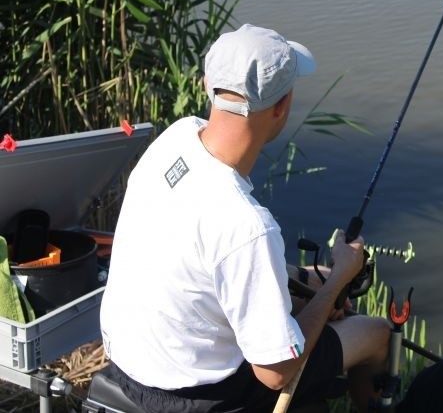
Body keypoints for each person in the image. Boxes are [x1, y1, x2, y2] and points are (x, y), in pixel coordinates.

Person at [100, 24, 391, 412]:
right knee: (374, 333)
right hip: (199, 401)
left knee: (306, 298)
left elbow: (216, 261)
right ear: (281, 107)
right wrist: (336, 281)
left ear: (208, 85)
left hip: (131, 370)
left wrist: (312, 280)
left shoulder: (175, 140)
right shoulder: (246, 223)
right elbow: (275, 372)